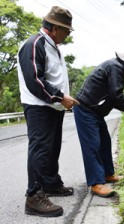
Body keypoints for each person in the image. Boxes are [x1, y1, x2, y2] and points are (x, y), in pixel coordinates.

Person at [17, 6, 79, 217]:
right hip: (39, 106)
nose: (68, 34)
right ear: (54, 28)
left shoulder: (53, 47)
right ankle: (34, 196)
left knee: (52, 148)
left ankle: (51, 184)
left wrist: (61, 101)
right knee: (41, 149)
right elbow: (35, 80)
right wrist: (60, 97)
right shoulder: (34, 44)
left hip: (53, 106)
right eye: (66, 30)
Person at [73, 48, 124, 197]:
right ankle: (96, 183)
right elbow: (116, 95)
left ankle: (107, 174)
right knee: (92, 145)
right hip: (85, 109)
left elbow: (114, 98)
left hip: (95, 111)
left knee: (105, 142)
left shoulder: (116, 67)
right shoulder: (115, 67)